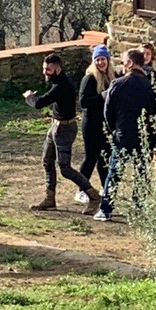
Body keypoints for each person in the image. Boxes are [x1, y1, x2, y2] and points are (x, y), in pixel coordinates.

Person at [23, 53, 99, 211]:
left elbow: (39, 104)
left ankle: (93, 195)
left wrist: (30, 97)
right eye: (44, 69)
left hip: (65, 129)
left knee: (65, 168)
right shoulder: (58, 80)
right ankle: (49, 199)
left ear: (57, 69)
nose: (45, 73)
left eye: (48, 70)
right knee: (47, 160)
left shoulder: (61, 86)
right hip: (56, 126)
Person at [94, 48, 156, 221]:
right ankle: (138, 208)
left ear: (130, 63)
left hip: (123, 135)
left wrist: (114, 130)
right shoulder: (151, 87)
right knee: (142, 173)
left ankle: (106, 209)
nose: (122, 66)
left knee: (115, 173)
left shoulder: (118, 84)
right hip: (144, 138)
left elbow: (107, 111)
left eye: (123, 62)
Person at [75, 44, 113, 214]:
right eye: (97, 59)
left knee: (105, 157)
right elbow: (83, 102)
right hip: (91, 124)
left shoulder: (111, 77)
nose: (100, 62)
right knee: (91, 157)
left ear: (108, 60)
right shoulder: (89, 78)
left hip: (105, 124)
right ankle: (81, 189)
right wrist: (101, 97)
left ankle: (106, 189)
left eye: (103, 59)